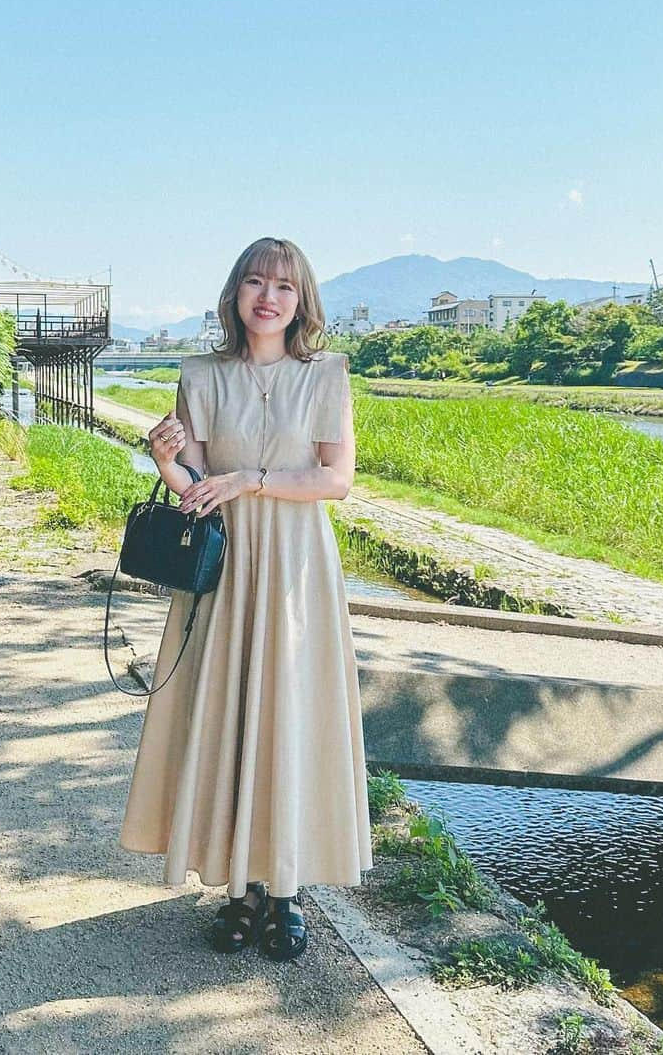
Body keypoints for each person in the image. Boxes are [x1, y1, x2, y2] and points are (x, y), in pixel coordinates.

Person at [119, 236, 371, 960]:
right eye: (256, 282)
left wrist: (252, 481)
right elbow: (194, 486)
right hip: (224, 562)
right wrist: (169, 461)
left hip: (295, 566)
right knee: (228, 712)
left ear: (302, 301)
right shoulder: (198, 375)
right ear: (235, 293)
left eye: (285, 287)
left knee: (287, 714)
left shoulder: (326, 374)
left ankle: (285, 889)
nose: (269, 297)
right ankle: (240, 889)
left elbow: (335, 481)